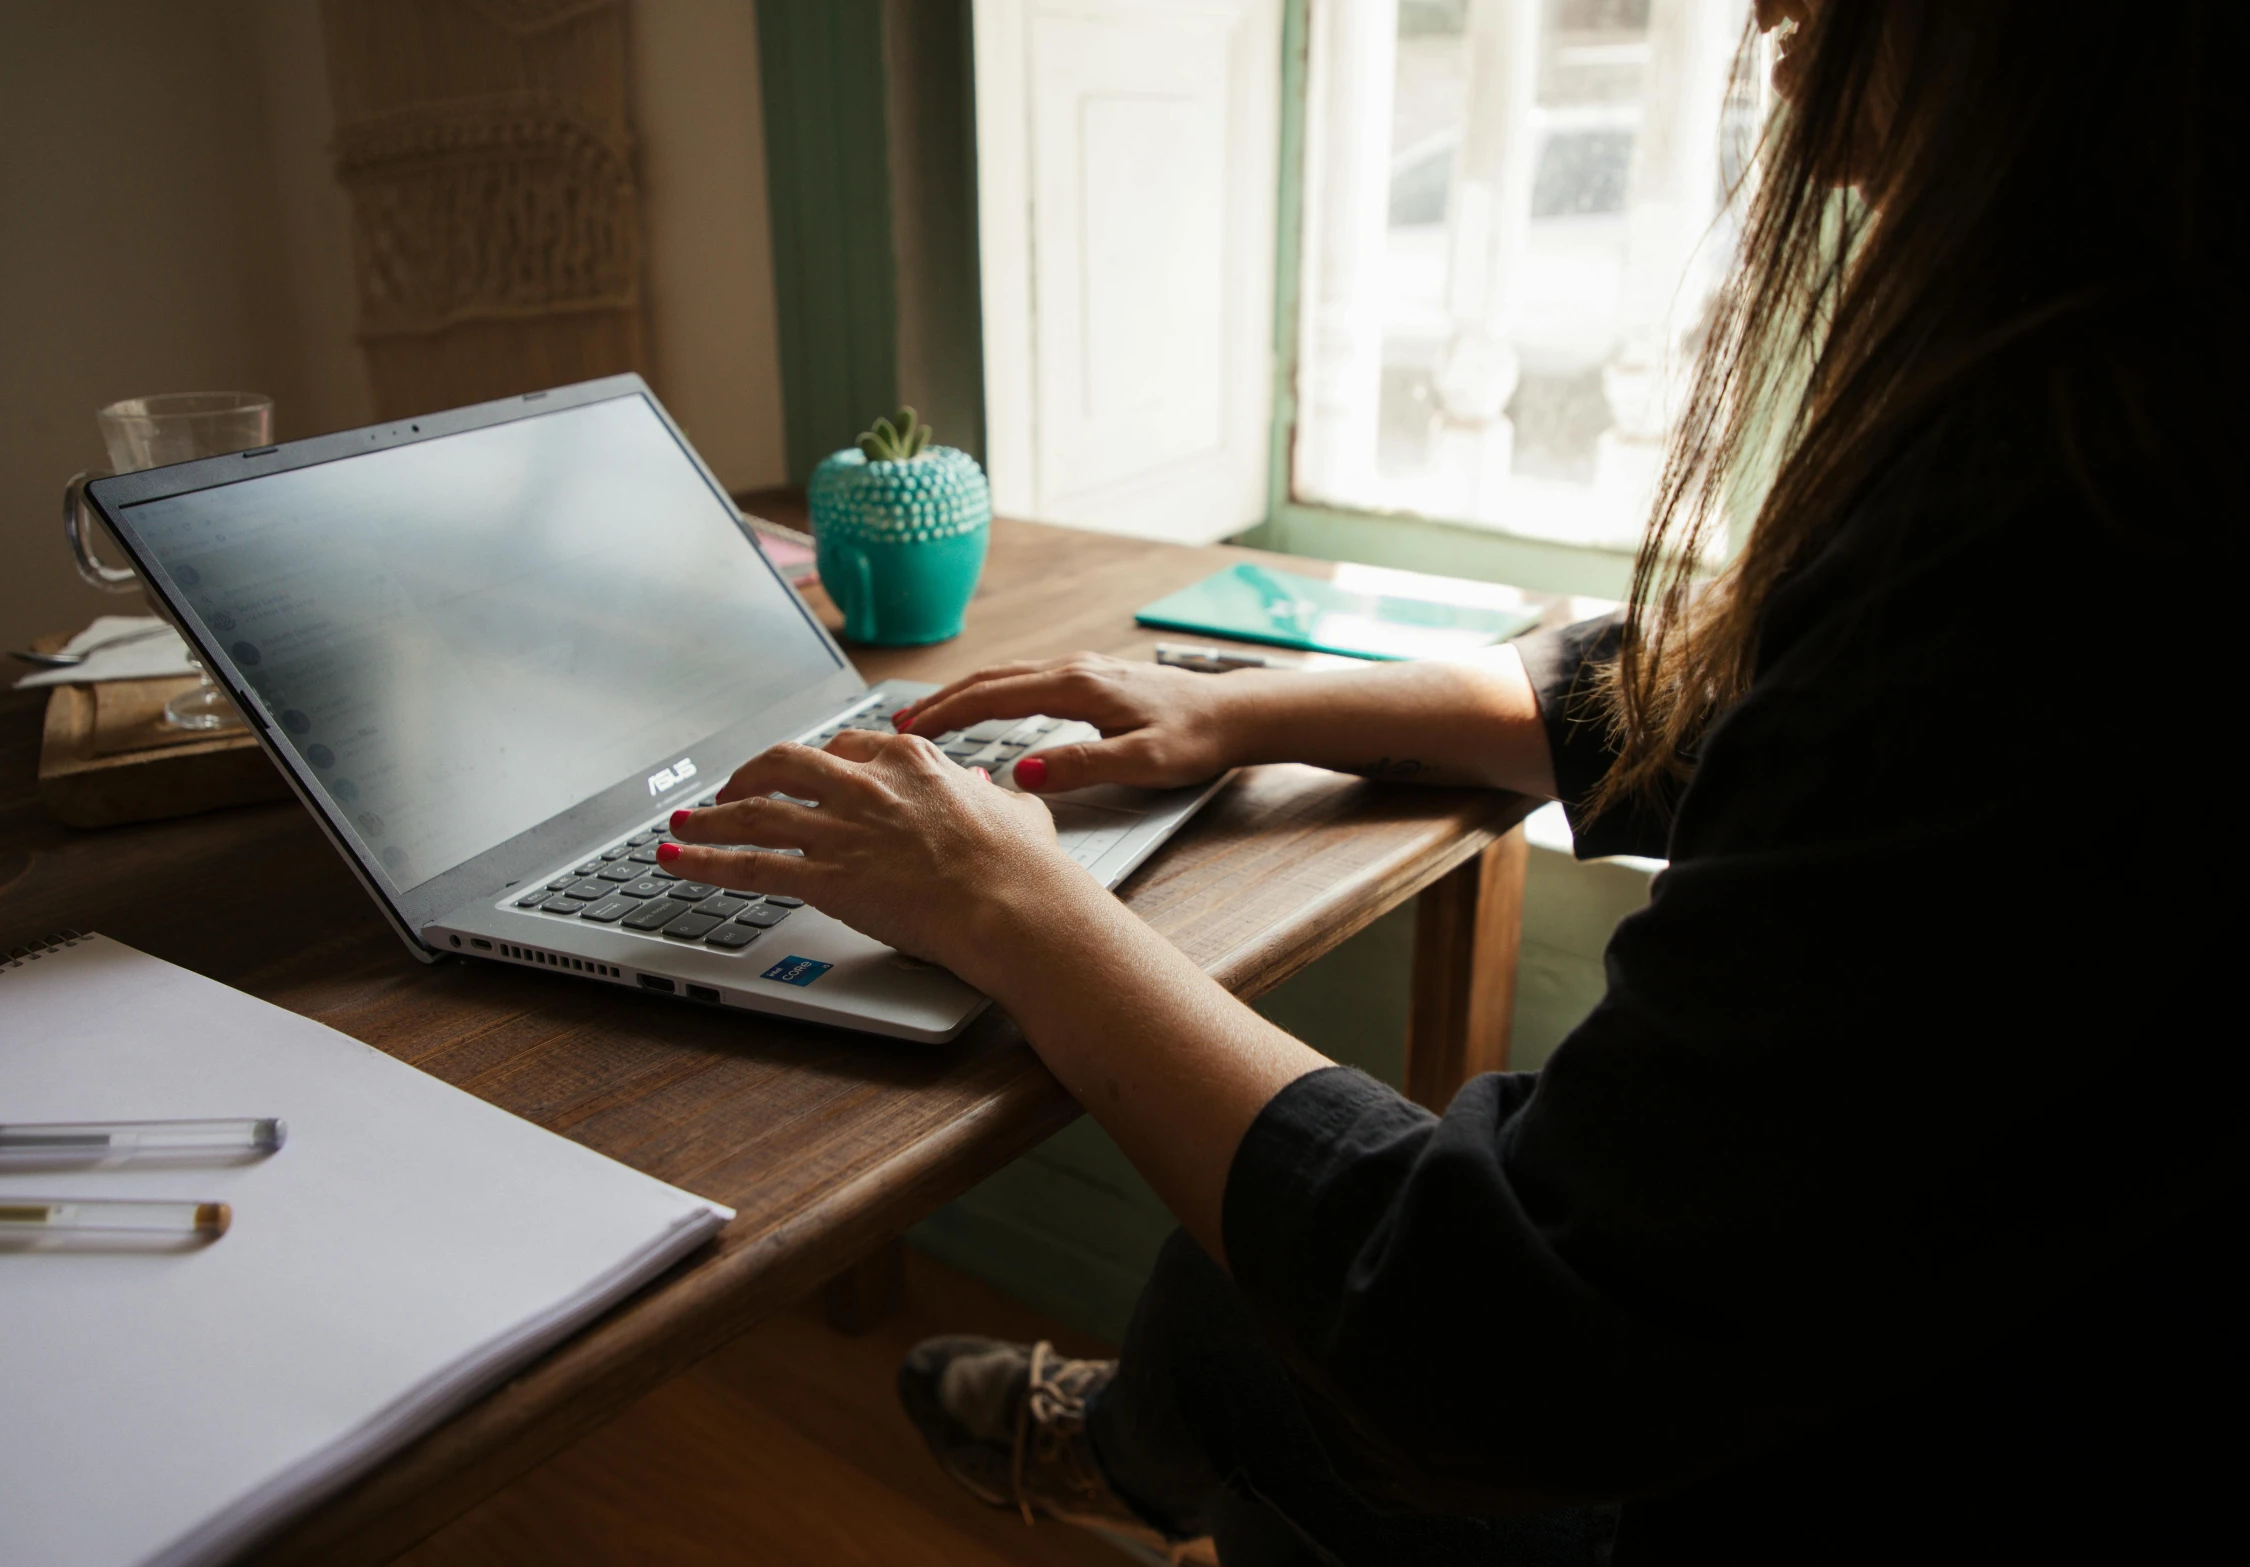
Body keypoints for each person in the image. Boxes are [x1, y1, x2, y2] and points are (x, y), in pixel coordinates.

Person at [656, 1, 2246, 1560]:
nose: (1770, 9)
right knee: (1272, 1232)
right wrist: (1251, 708)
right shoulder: (2136, 402)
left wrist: (1012, 904)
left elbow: (1485, 1344)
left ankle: (1150, 1452)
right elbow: (1743, 702)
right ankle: (1156, 1436)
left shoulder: (2063, 498)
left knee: (1282, 1280)